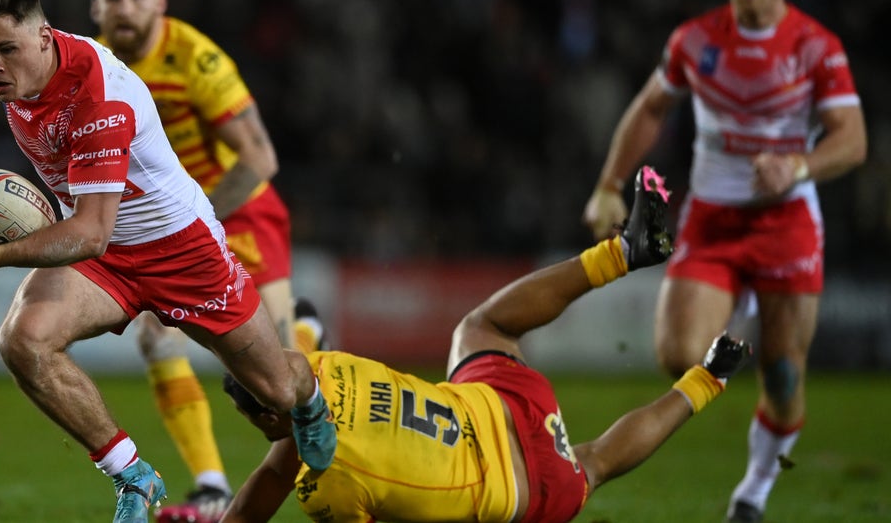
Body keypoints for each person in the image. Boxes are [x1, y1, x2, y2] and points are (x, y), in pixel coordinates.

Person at [0, 0, 337, 523]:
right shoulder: (18, 55)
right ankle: (133, 477)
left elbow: (90, 233)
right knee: (23, 341)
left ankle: (312, 404)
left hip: (180, 251)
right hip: (108, 258)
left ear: (44, 41)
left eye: (4, 52)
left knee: (277, 390)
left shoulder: (99, 102)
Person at [218, 166, 752, 523]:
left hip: (522, 490)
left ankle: (709, 377)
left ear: (267, 421)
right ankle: (621, 253)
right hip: (500, 403)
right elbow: (276, 453)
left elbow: (278, 470)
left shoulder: (325, 488)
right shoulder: (322, 364)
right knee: (481, 327)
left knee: (594, 464)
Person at [581, 0, 867, 523]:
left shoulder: (816, 46)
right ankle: (739, 309)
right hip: (713, 220)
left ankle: (754, 492)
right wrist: (609, 184)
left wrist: (799, 165)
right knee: (680, 353)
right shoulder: (695, 40)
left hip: (786, 222)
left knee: (785, 376)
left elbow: (854, 140)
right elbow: (649, 107)